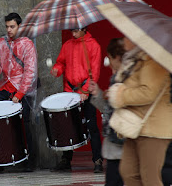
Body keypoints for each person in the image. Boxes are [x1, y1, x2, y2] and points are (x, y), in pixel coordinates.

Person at [107, 37, 172, 186]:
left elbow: (148, 92)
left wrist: (121, 96)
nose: (125, 40)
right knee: (129, 172)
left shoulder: (153, 60)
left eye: (128, 37)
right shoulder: (137, 59)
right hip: (136, 126)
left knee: (150, 178)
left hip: (153, 129)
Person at [0, 12, 38, 173]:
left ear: (19, 27)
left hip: (22, 90)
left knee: (24, 126)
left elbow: (30, 72)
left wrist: (20, 94)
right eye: (7, 26)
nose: (9, 29)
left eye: (12, 26)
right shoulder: (1, 43)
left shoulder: (27, 44)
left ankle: (29, 160)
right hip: (4, 88)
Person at [50, 27, 103, 173]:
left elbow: (95, 72)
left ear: (84, 28)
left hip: (87, 91)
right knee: (68, 126)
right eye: (71, 31)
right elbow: (61, 62)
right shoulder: (67, 45)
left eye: (75, 31)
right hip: (70, 90)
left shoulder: (93, 46)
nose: (73, 34)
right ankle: (66, 159)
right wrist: (56, 69)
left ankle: (97, 159)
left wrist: (85, 90)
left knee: (91, 125)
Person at [89, 38, 125, 186]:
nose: (109, 62)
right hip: (115, 146)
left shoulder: (127, 79)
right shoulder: (115, 78)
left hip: (123, 144)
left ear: (117, 57)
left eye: (110, 58)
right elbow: (108, 109)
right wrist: (97, 93)